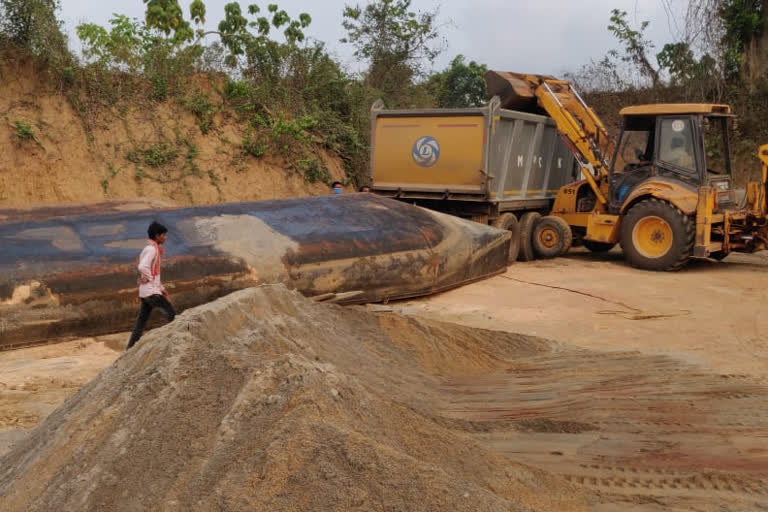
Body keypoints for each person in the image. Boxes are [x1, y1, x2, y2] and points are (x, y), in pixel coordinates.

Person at [126, 221, 176, 350]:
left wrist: (161, 288)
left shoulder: (150, 248)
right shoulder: (152, 249)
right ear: (157, 235)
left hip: (145, 292)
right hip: (151, 292)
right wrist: (153, 282)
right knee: (172, 315)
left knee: (141, 323)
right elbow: (142, 267)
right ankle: (177, 342)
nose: (165, 238)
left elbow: (149, 271)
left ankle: (130, 349)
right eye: (164, 235)